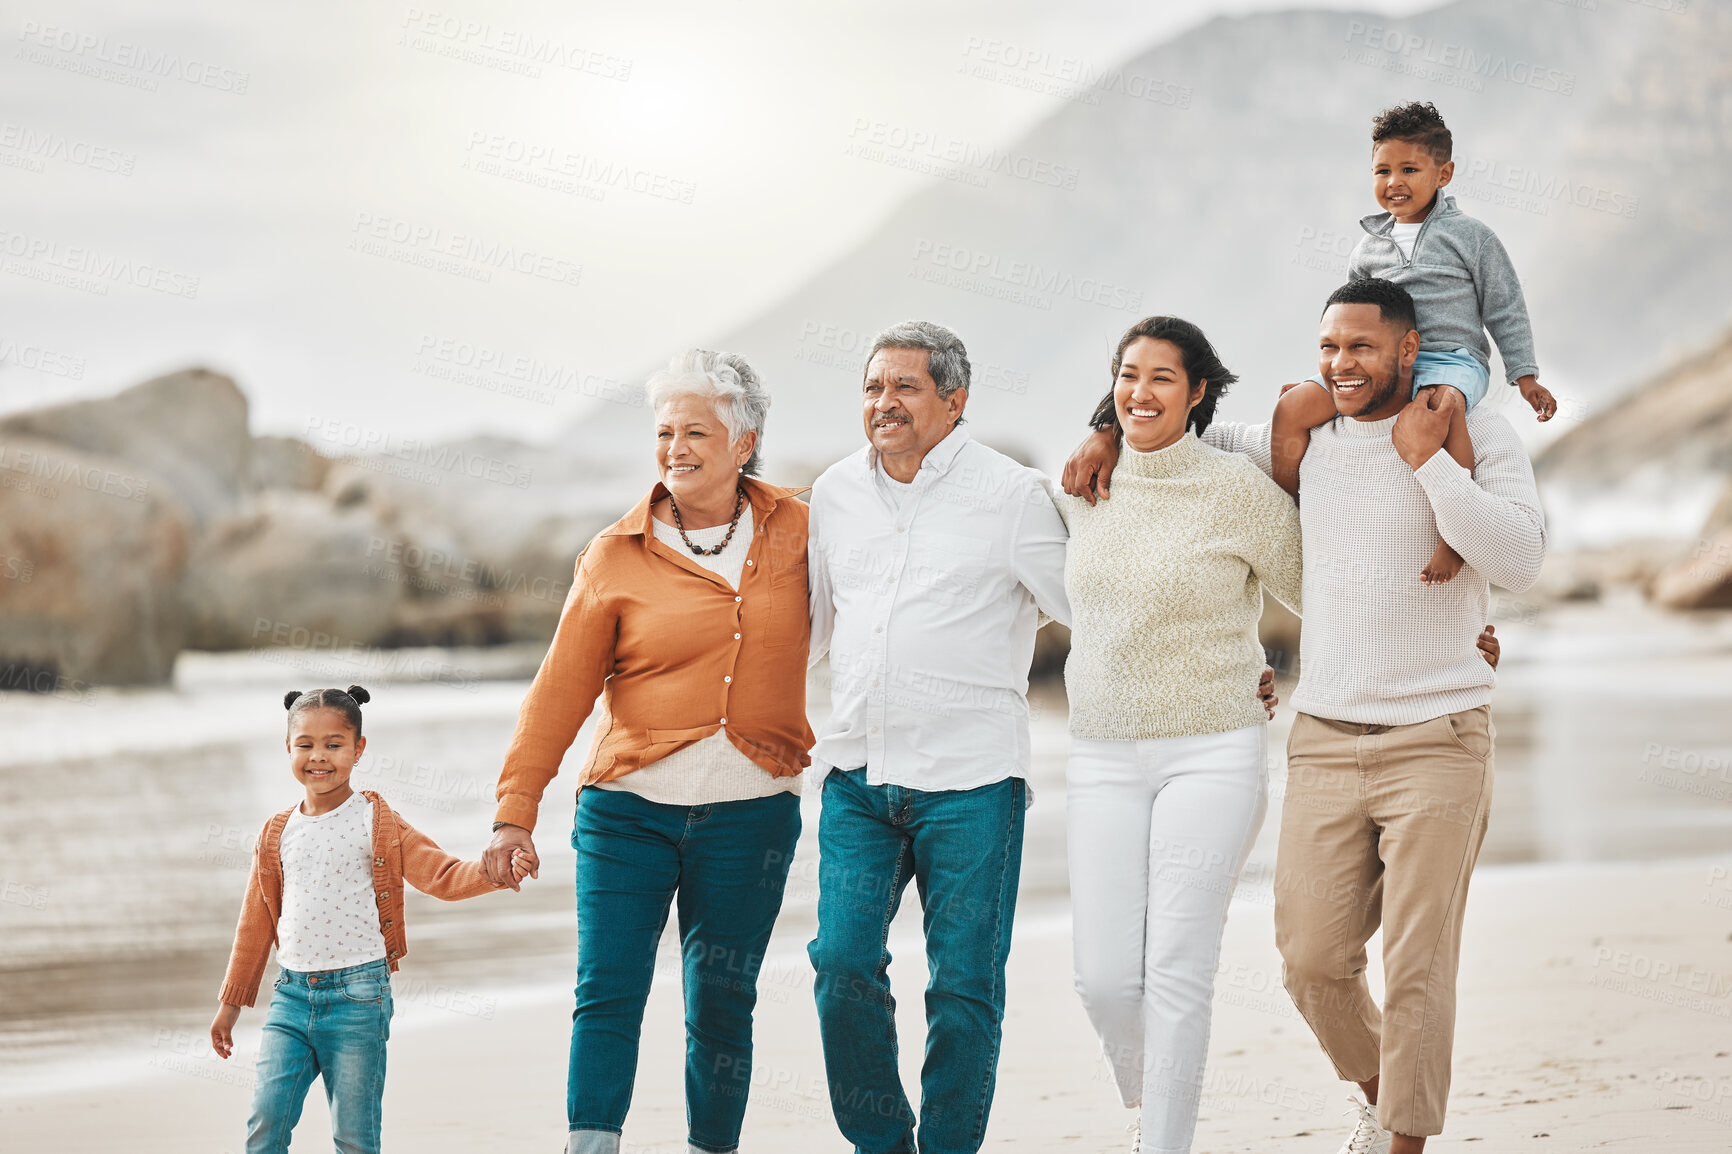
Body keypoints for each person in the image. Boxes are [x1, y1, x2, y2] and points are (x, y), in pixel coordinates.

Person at [1063, 277, 1544, 1154]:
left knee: (1417, 969)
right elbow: (1174, 428)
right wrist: (1105, 426)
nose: (1342, 364)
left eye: (1362, 347)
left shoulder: (1475, 429)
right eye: (1329, 347)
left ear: (1409, 348)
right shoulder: (1302, 437)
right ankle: (1379, 1094)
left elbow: (1519, 558)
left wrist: (1431, 459)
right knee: (1313, 963)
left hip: (1440, 736)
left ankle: (1403, 1140)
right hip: (1325, 736)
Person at [483, 350, 812, 1154]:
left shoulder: (803, 527)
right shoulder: (614, 554)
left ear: (745, 442)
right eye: (664, 431)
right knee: (608, 991)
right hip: (626, 814)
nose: (676, 447)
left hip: (753, 815)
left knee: (725, 999)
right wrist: (513, 814)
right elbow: (558, 692)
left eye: (696, 430)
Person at [804, 319, 1072, 1154]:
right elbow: (809, 632)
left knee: (962, 988)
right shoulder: (834, 494)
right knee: (841, 965)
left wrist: (1224, 665)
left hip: (973, 784)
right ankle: (881, 1144)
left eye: (905, 387)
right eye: (874, 388)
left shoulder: (1014, 494)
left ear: (955, 400)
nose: (884, 403)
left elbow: (1097, 614)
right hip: (856, 775)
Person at [1057, 316, 1302, 1154]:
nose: (1141, 392)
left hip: (1214, 749)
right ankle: (1150, 1092)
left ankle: (1163, 1141)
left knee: (1177, 970)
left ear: (1199, 393)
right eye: (1129, 375)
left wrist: (1462, 632)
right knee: (1104, 979)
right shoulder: (1081, 486)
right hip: (1098, 753)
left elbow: (1326, 595)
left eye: (1163, 377)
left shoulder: (1235, 490)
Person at [211, 685, 524, 1154]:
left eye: (334, 745)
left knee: (355, 1138)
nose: (319, 757)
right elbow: (255, 923)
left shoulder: (376, 822)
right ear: (288, 748)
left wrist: (495, 871)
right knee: (265, 1125)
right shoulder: (277, 832)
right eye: (306, 744)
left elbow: (441, 874)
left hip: (359, 999)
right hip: (291, 999)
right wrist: (231, 1004)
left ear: (358, 749)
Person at [1270, 100, 1557, 585]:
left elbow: (1504, 305)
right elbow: (1347, 319)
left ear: (1443, 173)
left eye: (1409, 168)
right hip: (1381, 368)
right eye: (1382, 170)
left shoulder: (1471, 237)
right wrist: (1331, 373)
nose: (1394, 182)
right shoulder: (1367, 247)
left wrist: (1524, 377)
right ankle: (1289, 512)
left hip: (1452, 358)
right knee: (1293, 408)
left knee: (1442, 410)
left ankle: (1453, 540)